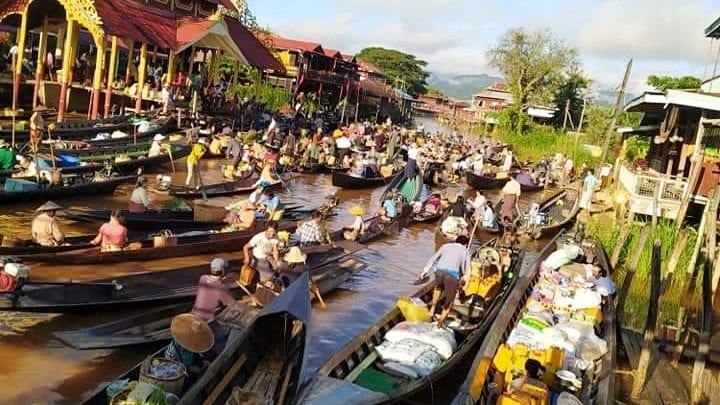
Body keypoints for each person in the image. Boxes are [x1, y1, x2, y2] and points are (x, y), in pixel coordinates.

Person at [421, 235, 471, 327]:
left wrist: (425, 271)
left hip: (439, 271)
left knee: (437, 289)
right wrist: (463, 284)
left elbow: (433, 258)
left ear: (456, 241)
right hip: (452, 276)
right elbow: (467, 271)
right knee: (450, 300)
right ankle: (440, 323)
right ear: (466, 244)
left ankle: (432, 310)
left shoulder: (445, 246)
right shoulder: (466, 251)